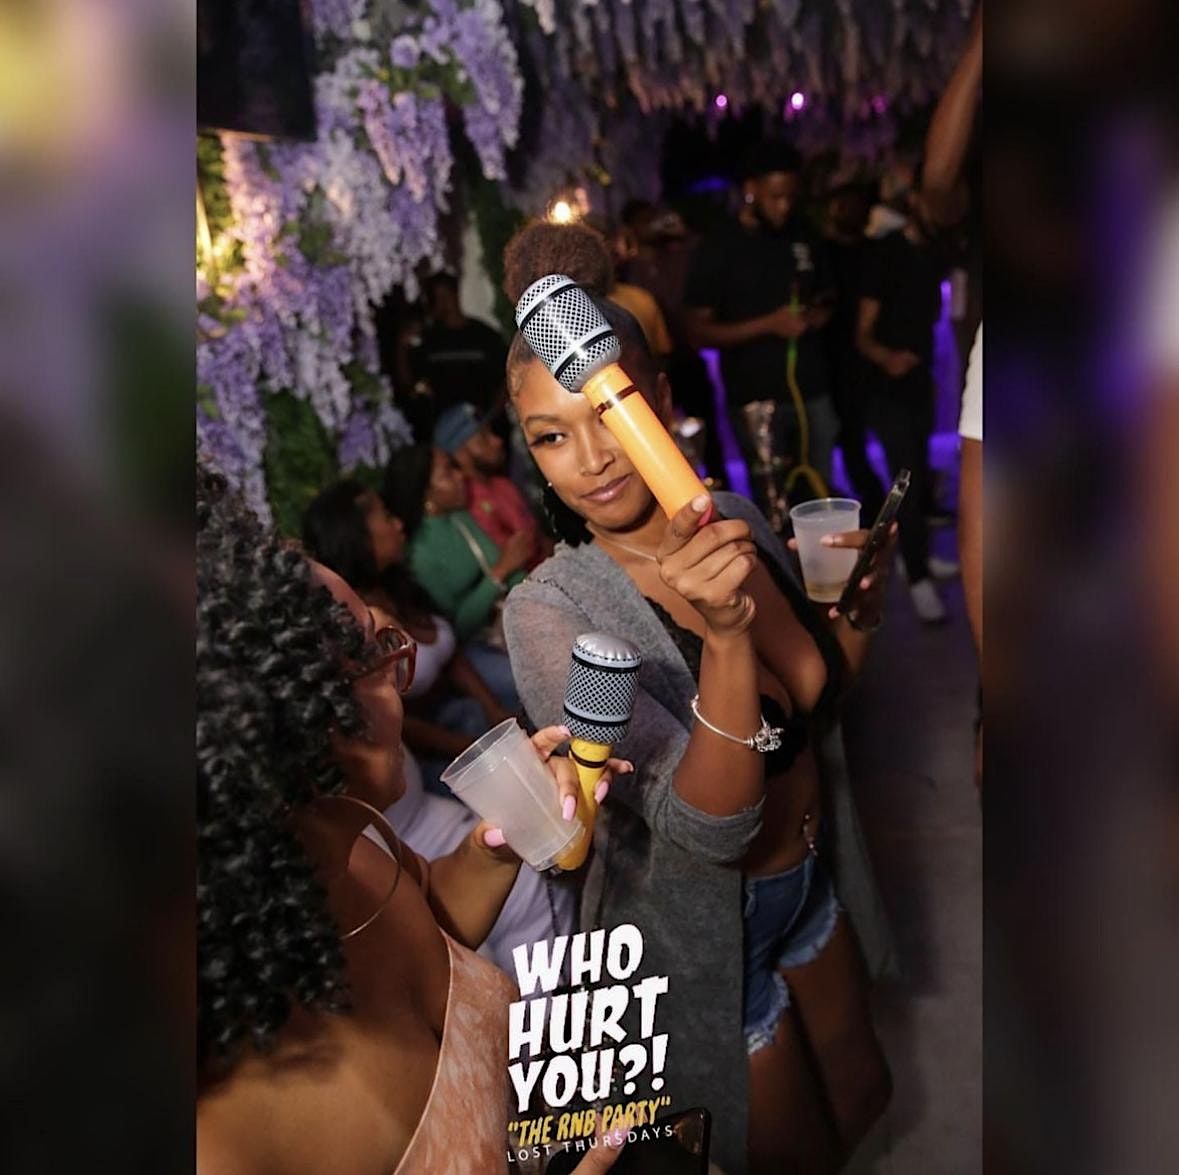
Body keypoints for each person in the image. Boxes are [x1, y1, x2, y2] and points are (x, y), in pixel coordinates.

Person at [501, 234, 893, 1175]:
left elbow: (810, 699)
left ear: (662, 398)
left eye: (610, 411)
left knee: (866, 1096)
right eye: (550, 436)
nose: (590, 459)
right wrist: (722, 638)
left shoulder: (736, 520)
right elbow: (705, 826)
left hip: (809, 876)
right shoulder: (550, 609)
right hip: (711, 929)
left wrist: (857, 613)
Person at [196, 464, 629, 1174]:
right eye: (371, 652)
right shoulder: (218, 1138)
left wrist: (496, 845)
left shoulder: (355, 837)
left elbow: (431, 928)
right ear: (286, 729)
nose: (401, 668)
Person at [302, 479, 511, 783]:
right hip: (435, 759)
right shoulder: (356, 627)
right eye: (386, 516)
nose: (399, 523)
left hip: (466, 715)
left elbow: (450, 655)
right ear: (356, 538)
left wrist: (493, 710)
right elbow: (402, 726)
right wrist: (472, 749)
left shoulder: (398, 584)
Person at [683, 141, 840, 505]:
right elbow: (697, 331)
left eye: (791, 196)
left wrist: (815, 316)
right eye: (775, 196)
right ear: (751, 190)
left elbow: (828, 296)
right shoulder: (719, 246)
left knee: (819, 494)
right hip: (755, 397)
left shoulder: (803, 233)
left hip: (812, 390)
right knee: (773, 503)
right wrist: (770, 324)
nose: (784, 206)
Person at [856, 175, 958, 624]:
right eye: (936, 197)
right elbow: (861, 334)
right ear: (914, 198)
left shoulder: (935, 252)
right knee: (907, 484)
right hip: (884, 385)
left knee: (920, 473)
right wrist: (888, 358)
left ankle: (919, 560)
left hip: (918, 381)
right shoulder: (885, 252)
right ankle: (917, 579)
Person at [383, 444, 528, 712]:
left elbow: (509, 565)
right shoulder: (419, 553)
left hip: (509, 618)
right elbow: (455, 626)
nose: (461, 476)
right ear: (427, 494)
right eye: (448, 472)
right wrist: (499, 574)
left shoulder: (460, 518)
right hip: (474, 646)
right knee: (525, 679)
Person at [821, 182, 885, 522]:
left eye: (854, 205)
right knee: (844, 444)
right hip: (829, 363)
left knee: (858, 444)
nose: (846, 211)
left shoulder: (876, 253)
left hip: (868, 361)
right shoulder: (823, 252)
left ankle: (879, 514)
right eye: (842, 204)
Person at [433, 401, 550, 571]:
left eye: (491, 433)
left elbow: (540, 539)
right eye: (483, 439)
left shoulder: (502, 484)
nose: (497, 441)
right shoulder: (468, 506)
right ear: (461, 455)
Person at [409, 271, 509, 422]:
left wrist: (491, 416)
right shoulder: (430, 339)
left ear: (455, 294)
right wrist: (402, 347)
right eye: (437, 298)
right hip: (446, 426)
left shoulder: (484, 334)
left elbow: (507, 378)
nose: (443, 302)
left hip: (486, 423)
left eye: (446, 295)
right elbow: (413, 383)